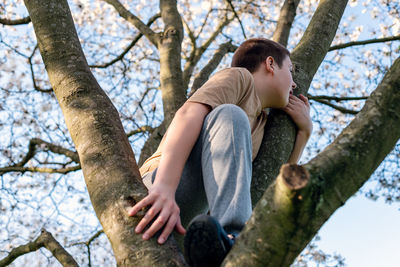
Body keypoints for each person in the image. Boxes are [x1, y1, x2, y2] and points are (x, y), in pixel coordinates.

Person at [128, 38, 312, 266]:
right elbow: (188, 114)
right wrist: (164, 187)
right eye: (291, 72)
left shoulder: (261, 124)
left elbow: (270, 187)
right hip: (159, 191)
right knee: (230, 115)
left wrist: (304, 133)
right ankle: (235, 237)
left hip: (194, 227)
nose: (294, 84)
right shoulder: (239, 78)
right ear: (271, 64)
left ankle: (219, 246)